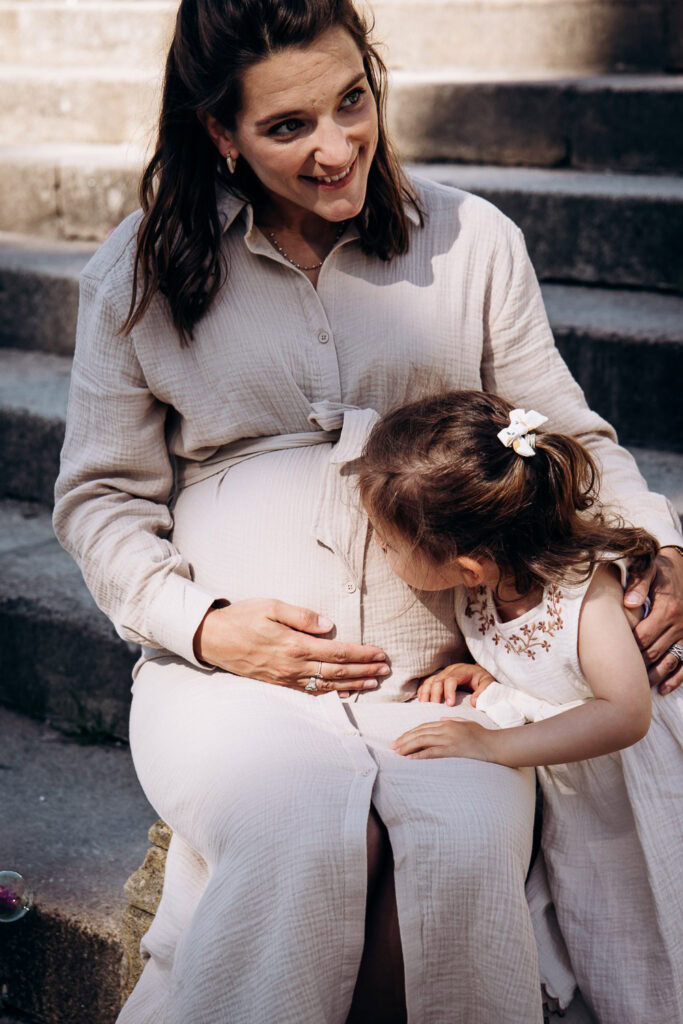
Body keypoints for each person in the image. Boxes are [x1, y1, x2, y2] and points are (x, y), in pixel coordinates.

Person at [51, 0, 683, 1020]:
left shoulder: (472, 241)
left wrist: (659, 546)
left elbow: (566, 432)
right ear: (220, 131)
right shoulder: (139, 272)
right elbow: (98, 502)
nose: (337, 148)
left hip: (445, 683)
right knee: (296, 827)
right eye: (288, 127)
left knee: (464, 851)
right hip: (226, 687)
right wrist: (207, 629)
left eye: (352, 102)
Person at [358, 389, 683, 1023]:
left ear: (468, 567)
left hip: (645, 780)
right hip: (589, 793)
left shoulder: (586, 594)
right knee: (605, 922)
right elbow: (541, 658)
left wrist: (492, 744)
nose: (382, 554)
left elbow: (625, 711)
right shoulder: (487, 586)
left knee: (657, 919)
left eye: (389, 543)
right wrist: (485, 668)